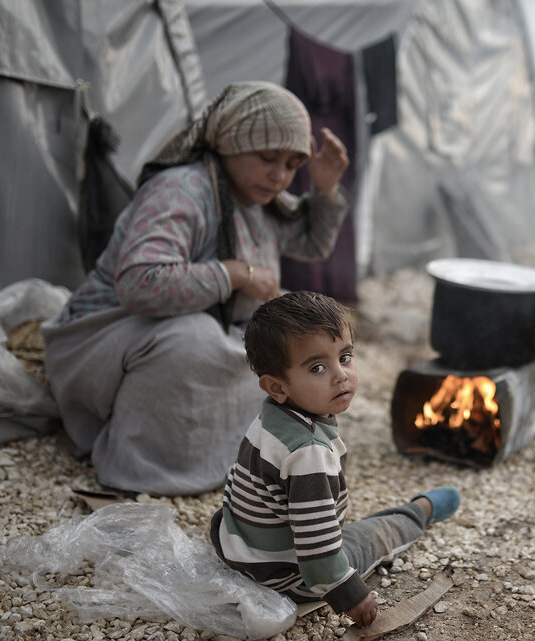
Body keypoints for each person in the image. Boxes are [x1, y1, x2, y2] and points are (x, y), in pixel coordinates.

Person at [42, 82, 352, 496]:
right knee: (195, 343)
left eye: (292, 163)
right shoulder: (179, 190)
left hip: (187, 332)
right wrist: (237, 273)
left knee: (285, 347)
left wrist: (325, 188)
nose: (279, 175)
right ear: (228, 143)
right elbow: (140, 284)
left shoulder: (258, 199)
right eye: (268, 157)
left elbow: (311, 243)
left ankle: (232, 460)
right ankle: (145, 469)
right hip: (103, 337)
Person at [208, 291, 460, 628]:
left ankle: (413, 511)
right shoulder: (308, 452)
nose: (340, 375)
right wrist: (348, 594)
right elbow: (317, 546)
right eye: (317, 367)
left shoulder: (274, 416)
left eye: (345, 356)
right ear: (277, 386)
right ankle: (418, 512)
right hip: (288, 575)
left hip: (237, 547)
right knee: (370, 535)